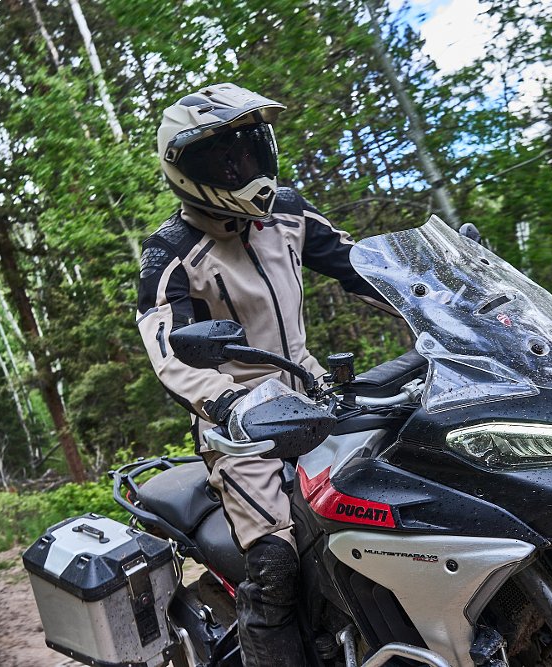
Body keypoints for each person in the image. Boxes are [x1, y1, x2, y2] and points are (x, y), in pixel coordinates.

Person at [136, 83, 397, 666]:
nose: (243, 167)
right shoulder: (170, 254)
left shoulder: (288, 213)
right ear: (184, 171)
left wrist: (444, 296)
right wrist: (231, 405)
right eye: (225, 159)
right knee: (276, 564)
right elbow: (170, 353)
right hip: (240, 426)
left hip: (314, 397)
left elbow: (363, 269)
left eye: (250, 152)